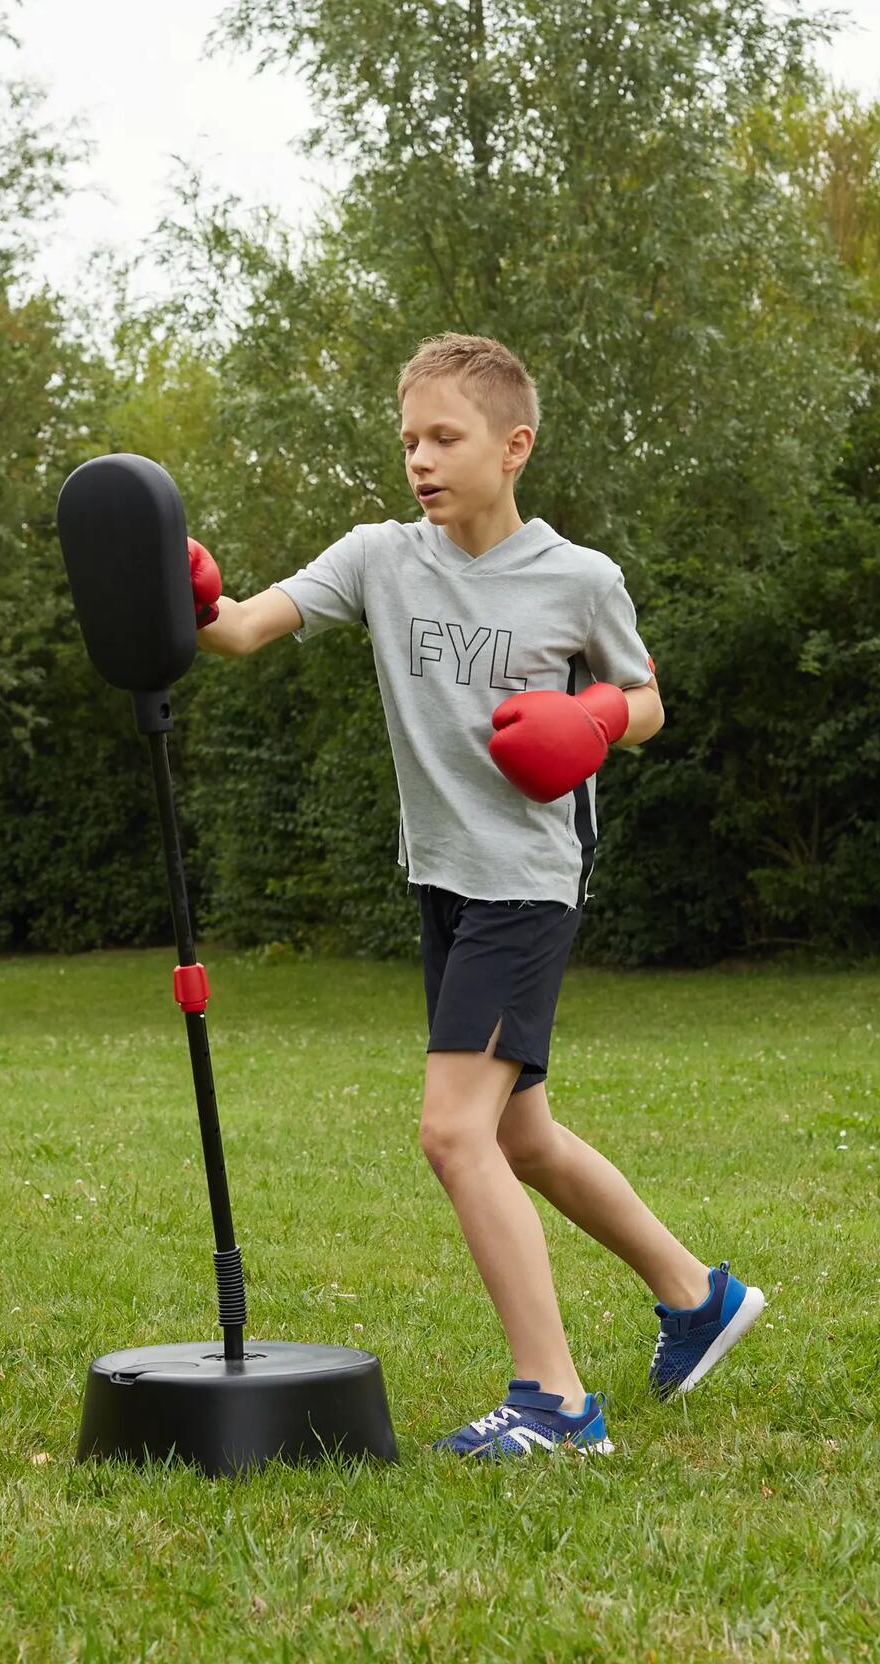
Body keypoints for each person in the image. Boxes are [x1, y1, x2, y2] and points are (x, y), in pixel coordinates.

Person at [190, 332, 763, 1455]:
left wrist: (595, 717)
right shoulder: (379, 558)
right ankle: (700, 1298)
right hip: (443, 880)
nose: (420, 459)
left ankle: (553, 1404)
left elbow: (647, 702)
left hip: (525, 884)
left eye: (444, 437)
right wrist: (189, 590)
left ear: (514, 447)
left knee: (455, 1134)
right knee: (523, 1137)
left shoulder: (579, 579)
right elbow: (241, 631)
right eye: (408, 439)